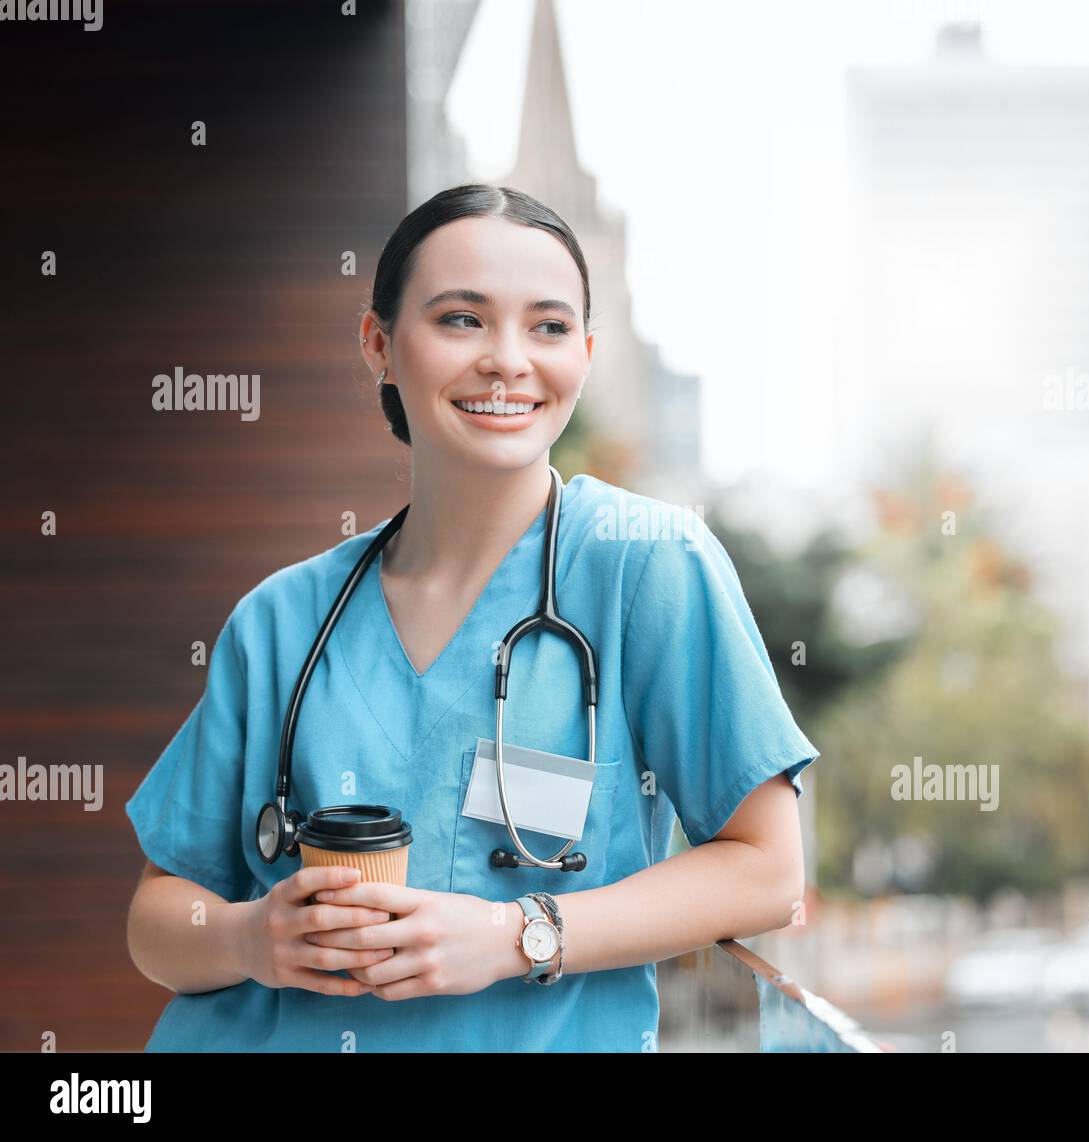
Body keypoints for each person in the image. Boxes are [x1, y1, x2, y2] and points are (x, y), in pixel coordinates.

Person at [124, 183, 819, 1052]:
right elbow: (157, 918)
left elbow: (766, 869)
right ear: (379, 343)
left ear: (588, 353)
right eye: (461, 319)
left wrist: (513, 936)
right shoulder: (281, 621)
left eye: (549, 326)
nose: (507, 359)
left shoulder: (648, 565)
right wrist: (247, 937)